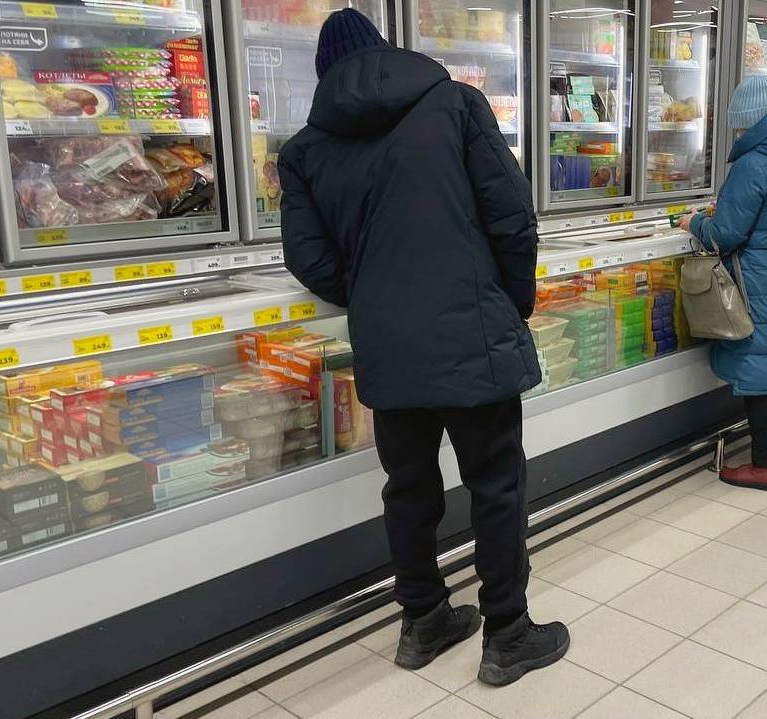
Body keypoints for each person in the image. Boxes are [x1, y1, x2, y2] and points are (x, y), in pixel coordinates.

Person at [278, 9, 568, 687]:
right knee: (496, 486)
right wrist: (511, 300)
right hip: (471, 330)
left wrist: (371, 291)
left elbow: (309, 258)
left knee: (408, 489)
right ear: (386, 52)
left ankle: (423, 620)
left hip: (387, 343)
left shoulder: (304, 151)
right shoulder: (455, 105)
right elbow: (511, 214)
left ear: (325, 73)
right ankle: (508, 634)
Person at [677, 76, 767, 492]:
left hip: (759, 278)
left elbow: (725, 235)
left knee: (761, 370)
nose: (738, 132)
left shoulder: (754, 163)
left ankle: (763, 467)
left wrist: (694, 222)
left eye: (739, 125)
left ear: (750, 120)